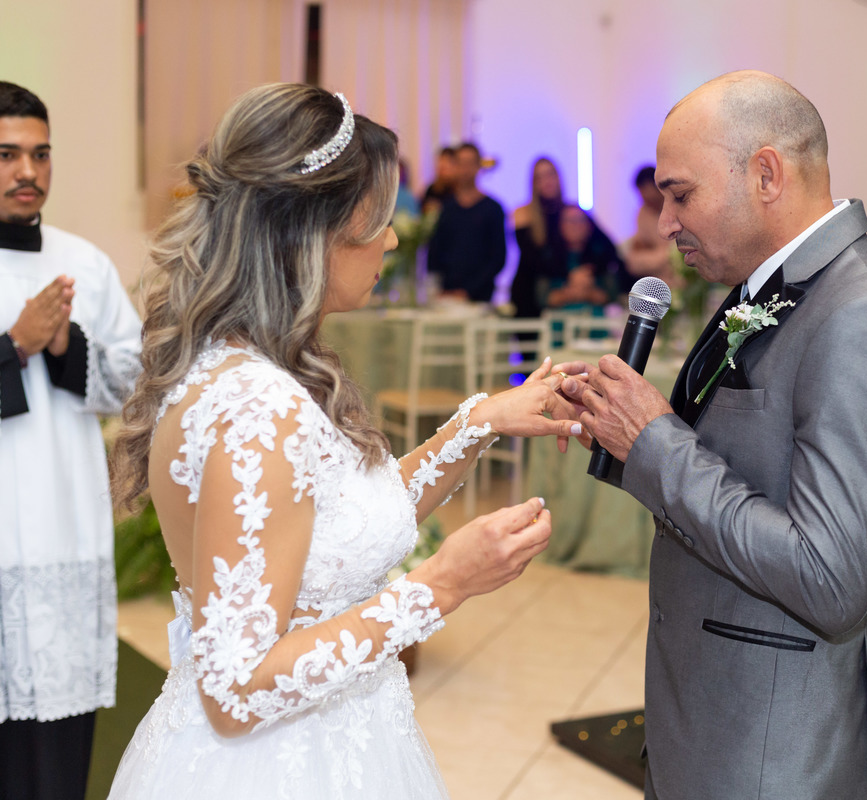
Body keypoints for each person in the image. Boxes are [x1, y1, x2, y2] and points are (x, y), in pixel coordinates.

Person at [106, 83, 583, 799]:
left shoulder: (257, 364)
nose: (391, 239)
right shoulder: (255, 409)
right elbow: (236, 691)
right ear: (311, 231)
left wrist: (478, 423)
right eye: (378, 220)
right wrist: (441, 584)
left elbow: (346, 522)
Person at [557, 71, 867, 799]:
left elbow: (831, 577)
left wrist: (655, 442)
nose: (665, 223)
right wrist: (623, 427)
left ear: (766, 174)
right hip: (715, 716)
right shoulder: (768, 287)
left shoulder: (866, 316)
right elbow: (737, 456)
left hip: (777, 751)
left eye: (681, 194)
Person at [0, 82, 143, 800]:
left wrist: (65, 346)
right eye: (6, 155)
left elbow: (133, 381)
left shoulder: (83, 264)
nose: (28, 171)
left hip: (62, 534)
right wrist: (13, 347)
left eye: (41, 153)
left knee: (54, 763)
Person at [426, 142, 506, 303]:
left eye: (470, 163)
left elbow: (498, 257)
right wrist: (437, 287)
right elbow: (436, 252)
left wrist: (468, 290)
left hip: (481, 298)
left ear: (478, 166)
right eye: (461, 163)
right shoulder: (445, 209)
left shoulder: (493, 209)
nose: (466, 170)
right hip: (447, 297)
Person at [510, 156, 565, 319]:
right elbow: (533, 260)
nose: (546, 181)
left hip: (561, 295)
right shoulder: (524, 214)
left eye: (550, 174)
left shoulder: (570, 214)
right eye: (539, 177)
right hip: (529, 295)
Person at [620, 164, 681, 290]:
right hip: (657, 282)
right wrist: (665, 256)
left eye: (651, 197)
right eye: (643, 197)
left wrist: (660, 254)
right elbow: (634, 259)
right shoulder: (643, 212)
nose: (646, 201)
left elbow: (679, 255)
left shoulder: (679, 207)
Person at [419, 146, 457, 214]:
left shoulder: (459, 190)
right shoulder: (432, 189)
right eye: (441, 160)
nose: (443, 165)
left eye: (448, 161)